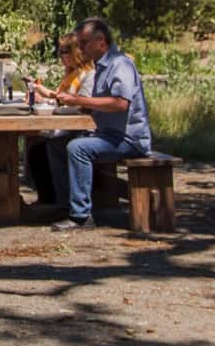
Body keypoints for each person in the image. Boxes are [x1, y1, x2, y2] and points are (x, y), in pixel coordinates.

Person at [40, 17, 152, 230]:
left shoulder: (120, 65)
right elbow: (97, 105)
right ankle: (65, 204)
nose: (81, 48)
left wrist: (79, 100)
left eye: (84, 43)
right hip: (107, 134)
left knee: (78, 148)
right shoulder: (101, 67)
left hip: (128, 139)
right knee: (56, 143)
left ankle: (81, 216)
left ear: (101, 41)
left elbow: (120, 103)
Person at [24, 33, 93, 206]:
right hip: (66, 126)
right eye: (60, 52)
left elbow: (82, 106)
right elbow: (60, 99)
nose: (61, 56)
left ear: (77, 52)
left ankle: (62, 201)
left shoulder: (87, 75)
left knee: (51, 147)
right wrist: (44, 98)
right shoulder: (70, 75)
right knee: (35, 148)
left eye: (65, 52)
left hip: (81, 130)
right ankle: (48, 199)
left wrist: (52, 107)